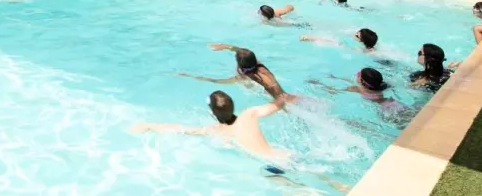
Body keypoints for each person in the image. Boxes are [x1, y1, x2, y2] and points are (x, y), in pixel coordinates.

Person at [130, 91, 288, 162]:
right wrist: (286, 98)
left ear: (213, 113)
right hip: (285, 156)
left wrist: (150, 126)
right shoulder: (249, 114)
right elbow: (278, 104)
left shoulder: (218, 130)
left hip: (271, 166)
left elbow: (181, 129)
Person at [180, 45, 293, 102]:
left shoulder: (243, 77)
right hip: (291, 98)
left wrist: (191, 76)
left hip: (282, 104)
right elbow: (244, 53)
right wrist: (226, 46)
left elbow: (217, 81)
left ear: (239, 64)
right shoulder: (261, 66)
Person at [309, 68, 394, 104]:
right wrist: (336, 78)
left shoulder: (357, 89)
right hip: (391, 102)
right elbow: (352, 82)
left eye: (359, 74)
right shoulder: (383, 85)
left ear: (363, 81)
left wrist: (319, 84)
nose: (357, 75)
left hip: (384, 109)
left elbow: (334, 91)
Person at [300, 28, 378, 51]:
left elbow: (334, 43)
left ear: (361, 41)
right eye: (357, 32)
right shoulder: (372, 48)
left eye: (357, 36)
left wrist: (312, 38)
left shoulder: (357, 49)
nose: (355, 34)